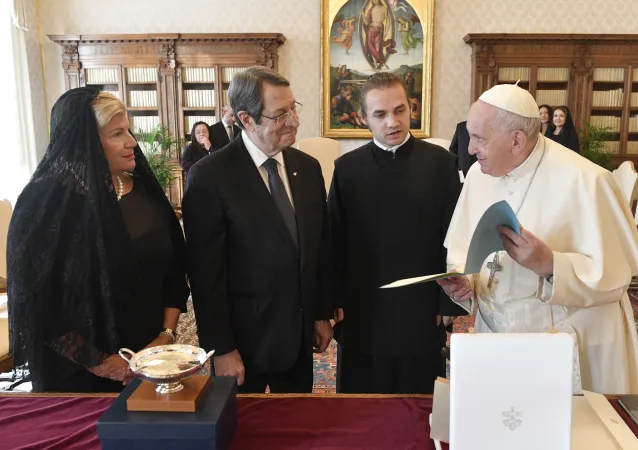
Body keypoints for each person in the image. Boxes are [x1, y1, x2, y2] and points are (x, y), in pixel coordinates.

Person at [438, 84, 638, 394]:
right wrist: (466, 281)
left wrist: (551, 265)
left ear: (516, 140)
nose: (469, 149)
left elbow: (614, 278)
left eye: (479, 139)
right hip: (497, 335)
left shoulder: (587, 181)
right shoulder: (479, 176)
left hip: (566, 341)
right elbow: (464, 247)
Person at [7, 87, 189, 392]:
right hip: (74, 375)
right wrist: (100, 362)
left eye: (129, 131)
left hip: (151, 361)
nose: (132, 142)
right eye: (117, 133)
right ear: (86, 142)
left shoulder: (147, 194)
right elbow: (37, 300)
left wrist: (165, 337)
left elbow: (174, 271)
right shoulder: (44, 205)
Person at [182, 66, 333, 394]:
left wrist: (321, 314)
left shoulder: (307, 169)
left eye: (294, 108)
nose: (293, 121)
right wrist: (221, 349)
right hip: (242, 345)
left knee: (295, 429)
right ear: (246, 119)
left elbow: (315, 249)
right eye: (280, 114)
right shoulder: (210, 177)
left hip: (298, 337)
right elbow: (206, 275)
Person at [329, 72, 465, 394]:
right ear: (364, 118)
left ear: (410, 108)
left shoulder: (442, 164)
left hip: (419, 305)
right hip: (363, 304)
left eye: (400, 110)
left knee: (418, 403)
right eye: (380, 114)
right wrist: (333, 301)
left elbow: (456, 236)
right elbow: (334, 241)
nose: (393, 122)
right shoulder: (347, 169)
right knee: (362, 403)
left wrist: (447, 304)